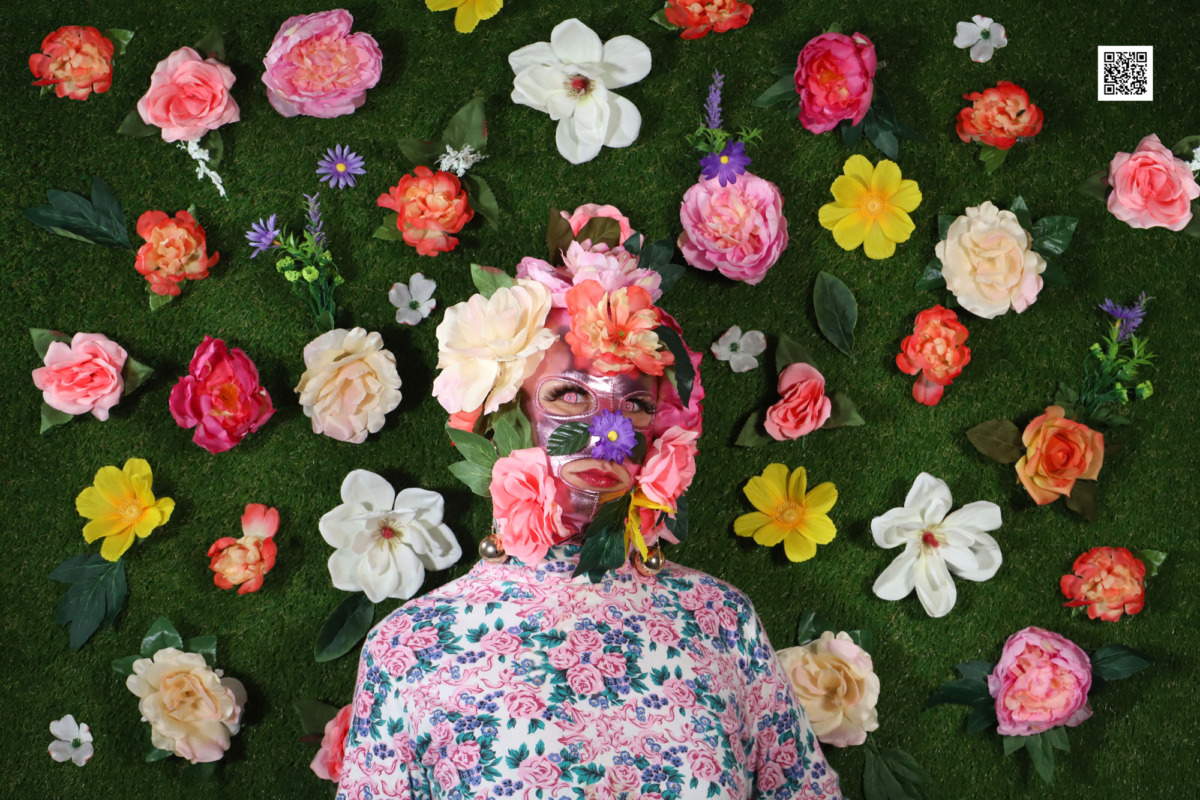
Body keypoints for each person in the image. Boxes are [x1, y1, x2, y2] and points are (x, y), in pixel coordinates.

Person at [336, 207, 841, 799]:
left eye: (634, 406)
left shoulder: (721, 621)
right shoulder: (411, 647)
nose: (608, 431)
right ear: (500, 411)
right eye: (570, 395)